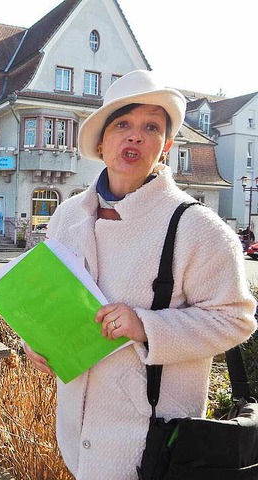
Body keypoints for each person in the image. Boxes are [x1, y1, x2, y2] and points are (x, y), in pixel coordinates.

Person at [22, 70, 257, 480]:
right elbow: (49, 298)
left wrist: (145, 325)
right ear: (101, 141)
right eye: (123, 124)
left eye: (151, 127)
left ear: (165, 146)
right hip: (77, 432)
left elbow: (235, 321)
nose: (135, 137)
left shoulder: (198, 226)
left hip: (153, 446)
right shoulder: (67, 215)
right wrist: (37, 341)